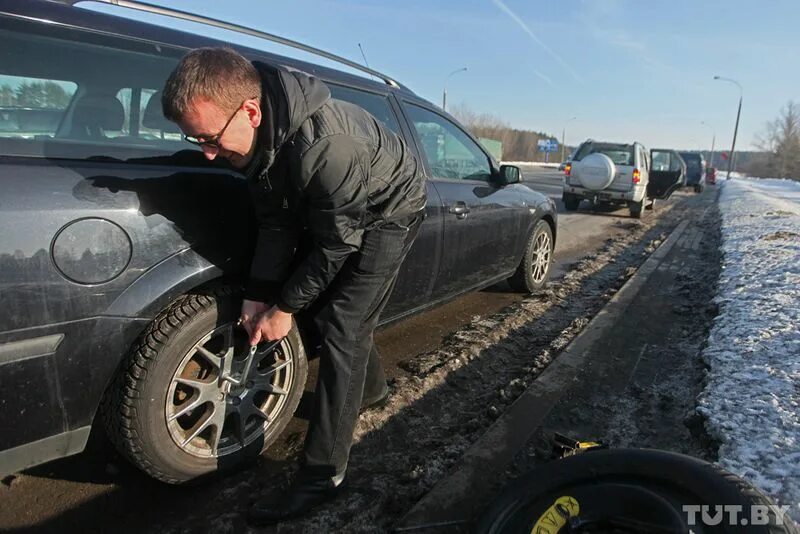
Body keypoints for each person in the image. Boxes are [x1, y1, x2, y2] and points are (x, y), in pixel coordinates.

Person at [161, 47, 426, 523]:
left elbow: (334, 246)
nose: (207, 153)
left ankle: (323, 477)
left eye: (211, 139)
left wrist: (282, 308)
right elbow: (276, 221)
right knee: (332, 312)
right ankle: (371, 390)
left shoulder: (325, 148)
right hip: (340, 203)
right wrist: (258, 293)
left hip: (392, 208)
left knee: (343, 324)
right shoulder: (262, 142)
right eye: (194, 139)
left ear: (250, 111)